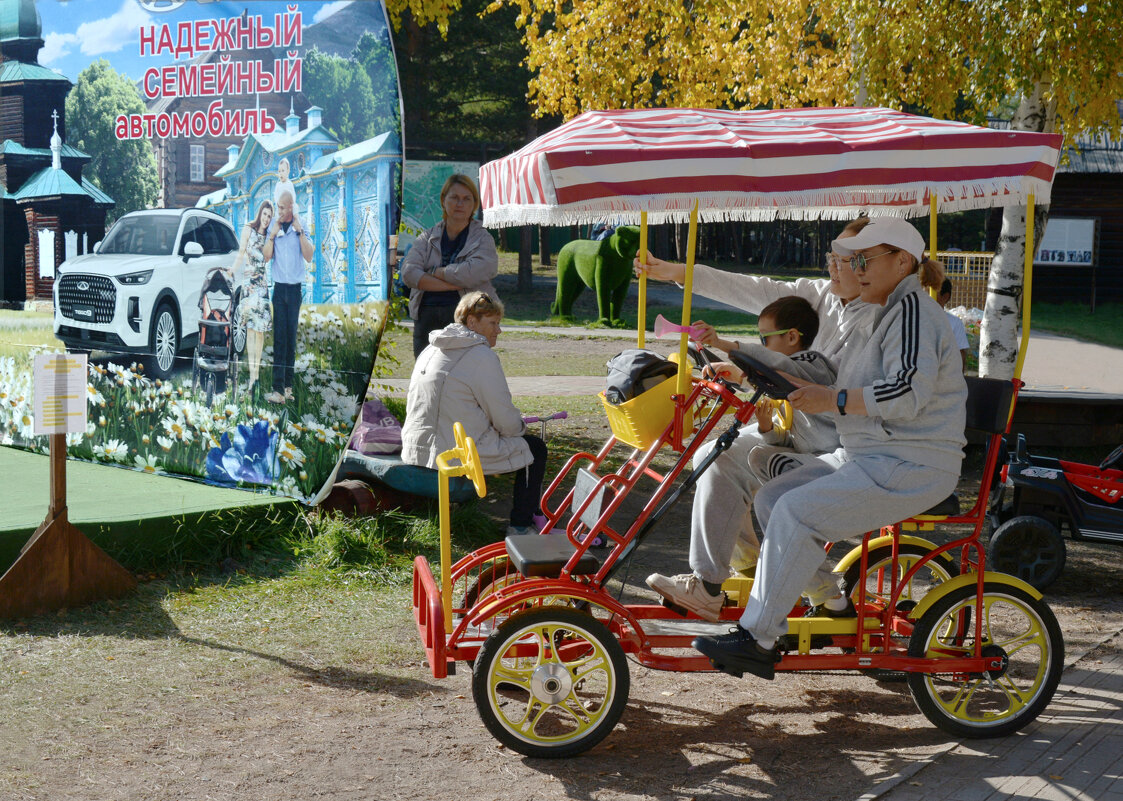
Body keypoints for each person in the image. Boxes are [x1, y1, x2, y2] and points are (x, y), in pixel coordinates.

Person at [692, 217, 968, 680]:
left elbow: (907, 393)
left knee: (796, 511)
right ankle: (797, 611)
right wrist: (744, 360)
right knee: (774, 498)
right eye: (850, 259)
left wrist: (834, 399)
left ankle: (758, 636)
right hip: (870, 454)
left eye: (864, 259)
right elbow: (825, 372)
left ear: (902, 262)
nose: (854, 269)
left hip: (909, 461)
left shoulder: (914, 313)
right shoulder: (879, 311)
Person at [633, 218, 878, 609]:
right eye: (832, 255)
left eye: (844, 259)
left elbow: (808, 377)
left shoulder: (878, 319)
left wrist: (742, 358)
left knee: (753, 468)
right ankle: (724, 577)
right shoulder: (822, 295)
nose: (832, 264)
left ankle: (819, 590)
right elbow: (754, 290)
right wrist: (678, 272)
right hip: (799, 432)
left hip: (839, 447)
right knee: (712, 453)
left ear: (868, 266)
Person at [644, 295, 839, 620]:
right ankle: (734, 568)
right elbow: (782, 418)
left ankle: (823, 593)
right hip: (797, 455)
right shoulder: (788, 373)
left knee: (768, 492)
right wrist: (750, 397)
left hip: (829, 462)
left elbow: (782, 370)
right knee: (712, 454)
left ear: (792, 337)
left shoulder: (815, 365)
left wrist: (722, 343)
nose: (762, 343)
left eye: (765, 337)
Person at [401, 291, 549, 536]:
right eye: (493, 323)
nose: (498, 330)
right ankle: (521, 526)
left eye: (498, 323)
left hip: (415, 446)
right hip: (452, 451)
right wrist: (521, 428)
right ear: (472, 322)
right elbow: (505, 420)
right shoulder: (481, 356)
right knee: (534, 448)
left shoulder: (430, 349)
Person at [400, 174, 499, 358]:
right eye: (454, 197)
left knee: (463, 372)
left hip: (468, 317)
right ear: (443, 200)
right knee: (427, 371)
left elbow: (481, 270)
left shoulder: (483, 238)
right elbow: (409, 273)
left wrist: (435, 272)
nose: (460, 204)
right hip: (426, 317)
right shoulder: (426, 238)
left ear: (474, 204)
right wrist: (457, 282)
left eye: (466, 199)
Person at [262, 190, 313, 405]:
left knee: (291, 339)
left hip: (294, 290)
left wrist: (300, 232)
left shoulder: (300, 227)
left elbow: (309, 256)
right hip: (279, 289)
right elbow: (266, 256)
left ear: (291, 207)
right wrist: (272, 234)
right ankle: (277, 390)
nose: (278, 211)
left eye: (282, 207)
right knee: (279, 339)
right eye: (277, 207)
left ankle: (288, 388)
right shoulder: (274, 227)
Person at [231, 199, 274, 402]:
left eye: (269, 217)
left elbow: (268, 259)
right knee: (250, 331)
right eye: (264, 215)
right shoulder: (248, 228)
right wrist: (232, 269)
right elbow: (241, 254)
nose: (266, 219)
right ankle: (251, 378)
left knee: (260, 332)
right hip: (249, 285)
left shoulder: (268, 237)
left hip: (262, 285)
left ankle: (256, 377)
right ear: (260, 214)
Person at [938, 278, 971, 373]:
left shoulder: (954, 323)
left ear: (945, 297)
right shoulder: (917, 318)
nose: (927, 297)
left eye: (931, 293)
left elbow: (961, 353)